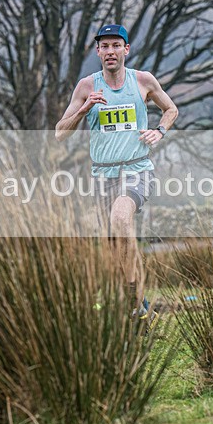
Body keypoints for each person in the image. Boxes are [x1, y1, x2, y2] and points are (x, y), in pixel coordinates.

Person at [55, 24, 178, 325]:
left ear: (126, 49)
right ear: (98, 52)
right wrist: (83, 109)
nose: (110, 51)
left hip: (137, 169)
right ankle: (141, 307)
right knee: (115, 247)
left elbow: (171, 109)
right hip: (102, 177)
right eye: (105, 46)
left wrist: (159, 131)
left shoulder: (142, 80)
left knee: (121, 219)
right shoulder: (87, 86)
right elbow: (60, 133)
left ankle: (134, 302)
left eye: (116, 45)